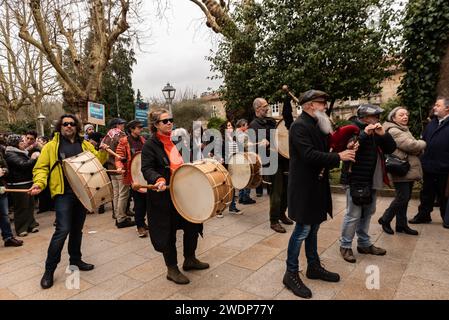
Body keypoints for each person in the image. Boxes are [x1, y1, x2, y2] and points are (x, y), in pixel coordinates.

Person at [283, 89, 355, 299]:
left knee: (313, 228)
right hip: (304, 187)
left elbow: (329, 148)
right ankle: (291, 272)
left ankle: (313, 266)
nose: (324, 105)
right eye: (321, 102)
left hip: (317, 186)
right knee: (302, 229)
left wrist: (345, 147)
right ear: (310, 105)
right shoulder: (299, 126)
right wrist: (339, 157)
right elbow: (308, 155)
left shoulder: (318, 124)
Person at [30, 114, 108, 289]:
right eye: (65, 124)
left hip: (82, 193)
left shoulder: (85, 144)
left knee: (77, 229)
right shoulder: (51, 147)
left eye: (72, 124)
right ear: (60, 126)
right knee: (63, 229)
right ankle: (49, 270)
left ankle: (76, 259)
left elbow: (97, 162)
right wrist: (39, 183)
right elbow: (41, 168)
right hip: (63, 193)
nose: (69, 126)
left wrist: (102, 152)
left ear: (76, 126)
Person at [141, 108, 209, 285]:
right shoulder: (150, 145)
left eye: (171, 120)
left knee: (192, 224)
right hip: (164, 195)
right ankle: (172, 269)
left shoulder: (176, 141)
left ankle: (190, 259)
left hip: (183, 192)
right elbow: (147, 168)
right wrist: (159, 179)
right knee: (168, 232)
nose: (169, 123)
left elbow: (186, 162)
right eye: (165, 121)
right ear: (156, 125)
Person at [339, 104, 396, 263]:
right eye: (374, 116)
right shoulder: (352, 128)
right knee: (353, 214)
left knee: (368, 212)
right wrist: (364, 134)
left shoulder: (377, 131)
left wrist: (383, 134)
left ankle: (364, 243)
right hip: (356, 179)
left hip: (372, 179)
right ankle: (345, 245)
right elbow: (350, 148)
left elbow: (391, 148)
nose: (378, 119)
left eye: (378, 116)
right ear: (364, 117)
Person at [378, 107, 426, 235]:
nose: (405, 117)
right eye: (401, 115)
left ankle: (401, 225)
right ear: (393, 118)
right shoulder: (394, 130)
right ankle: (385, 219)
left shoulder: (403, 129)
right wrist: (422, 143)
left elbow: (412, 148)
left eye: (406, 114)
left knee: (405, 198)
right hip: (400, 168)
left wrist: (416, 147)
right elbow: (411, 146)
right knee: (402, 197)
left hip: (407, 168)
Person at [249, 98, 293, 233]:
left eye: (267, 106)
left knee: (287, 190)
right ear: (257, 109)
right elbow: (254, 148)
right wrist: (262, 144)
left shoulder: (272, 122)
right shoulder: (253, 125)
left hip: (283, 159)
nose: (268, 108)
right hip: (271, 161)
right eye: (265, 106)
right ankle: (274, 220)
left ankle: (281, 213)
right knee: (276, 192)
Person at [409, 97, 449, 228]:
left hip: (445, 168)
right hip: (429, 166)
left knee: (444, 195)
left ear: (447, 108)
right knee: (426, 193)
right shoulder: (432, 123)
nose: (434, 107)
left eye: (438, 105)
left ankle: (446, 218)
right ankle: (424, 215)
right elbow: (423, 140)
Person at [115, 120, 149, 237]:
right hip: (132, 176)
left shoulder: (143, 140)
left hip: (143, 175)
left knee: (145, 201)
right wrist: (119, 167)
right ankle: (139, 226)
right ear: (132, 129)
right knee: (138, 202)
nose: (141, 129)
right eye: (139, 127)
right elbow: (118, 158)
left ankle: (142, 222)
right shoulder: (124, 141)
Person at [5, 134, 40, 237]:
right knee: (21, 207)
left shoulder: (20, 152)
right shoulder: (10, 154)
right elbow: (23, 165)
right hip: (18, 184)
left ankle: (31, 224)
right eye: (22, 141)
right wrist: (33, 158)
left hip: (27, 182)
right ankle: (21, 228)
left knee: (30, 205)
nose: (25, 143)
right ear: (16, 144)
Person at [102, 118, 135, 228]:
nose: (123, 126)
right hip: (120, 167)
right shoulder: (120, 135)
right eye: (122, 124)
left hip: (110, 167)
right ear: (117, 125)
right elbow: (126, 149)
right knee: (123, 194)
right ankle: (121, 217)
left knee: (116, 193)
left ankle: (116, 214)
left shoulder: (107, 136)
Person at [216, 121, 242, 218]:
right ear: (224, 128)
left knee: (233, 186)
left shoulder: (234, 138)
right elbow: (217, 151)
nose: (230, 127)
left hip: (233, 164)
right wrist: (220, 158)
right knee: (224, 187)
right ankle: (219, 209)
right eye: (228, 126)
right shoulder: (221, 139)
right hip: (225, 165)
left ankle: (232, 207)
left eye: (231, 125)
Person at [0, 152, 24, 247]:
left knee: (4, 215)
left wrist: (3, 171)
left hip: (1, 189)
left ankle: (8, 238)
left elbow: (6, 168)